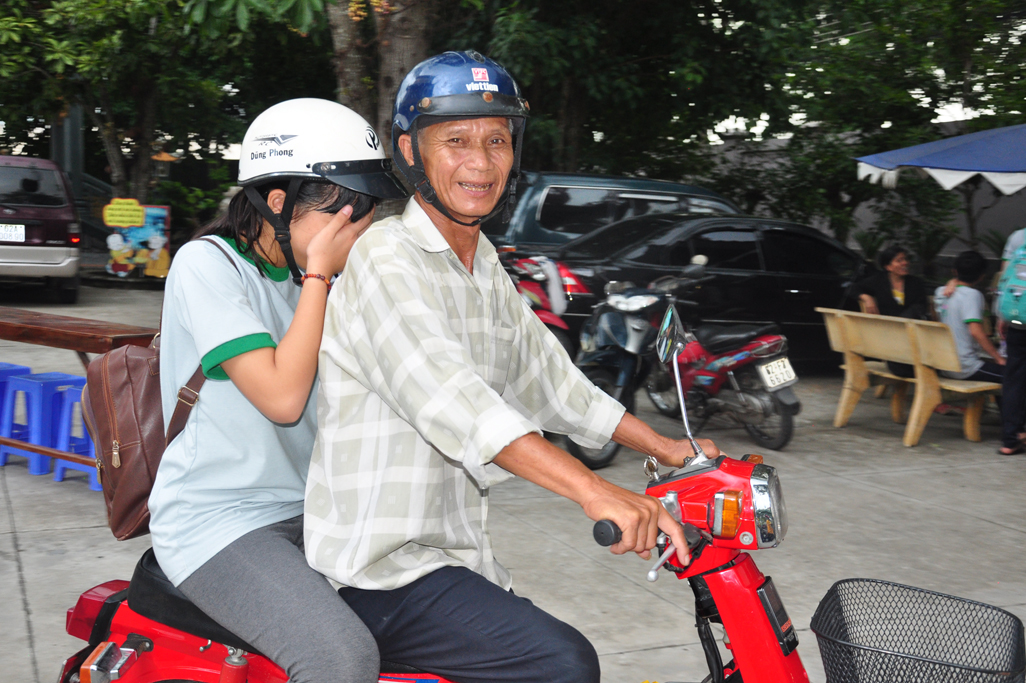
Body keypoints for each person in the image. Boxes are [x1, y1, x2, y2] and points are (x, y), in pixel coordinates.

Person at [305, 51, 719, 683]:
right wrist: (594, 490)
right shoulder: (386, 257)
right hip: (379, 572)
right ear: (410, 151)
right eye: (456, 141)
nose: (480, 162)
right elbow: (459, 404)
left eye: (496, 140)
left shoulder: (483, 265)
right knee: (563, 664)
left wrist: (667, 448)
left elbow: (554, 383)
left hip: (454, 559)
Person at [149, 98, 408, 683]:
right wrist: (319, 274)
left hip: (312, 510)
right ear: (277, 202)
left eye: (365, 213)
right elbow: (282, 399)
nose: (356, 231)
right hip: (218, 521)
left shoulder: (316, 277)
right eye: (343, 214)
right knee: (340, 658)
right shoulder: (207, 266)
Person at [934, 251, 1005, 388]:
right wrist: (999, 358)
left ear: (954, 271)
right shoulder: (973, 295)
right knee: (1015, 376)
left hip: (944, 364)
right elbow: (975, 332)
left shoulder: (941, 292)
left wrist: (953, 281)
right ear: (982, 276)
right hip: (965, 367)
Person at [857, 245, 930, 318]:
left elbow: (921, 306)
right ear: (888, 267)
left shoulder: (916, 283)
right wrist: (867, 298)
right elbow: (854, 288)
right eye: (899, 260)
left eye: (906, 259)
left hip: (910, 323)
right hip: (885, 323)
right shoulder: (878, 280)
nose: (905, 263)